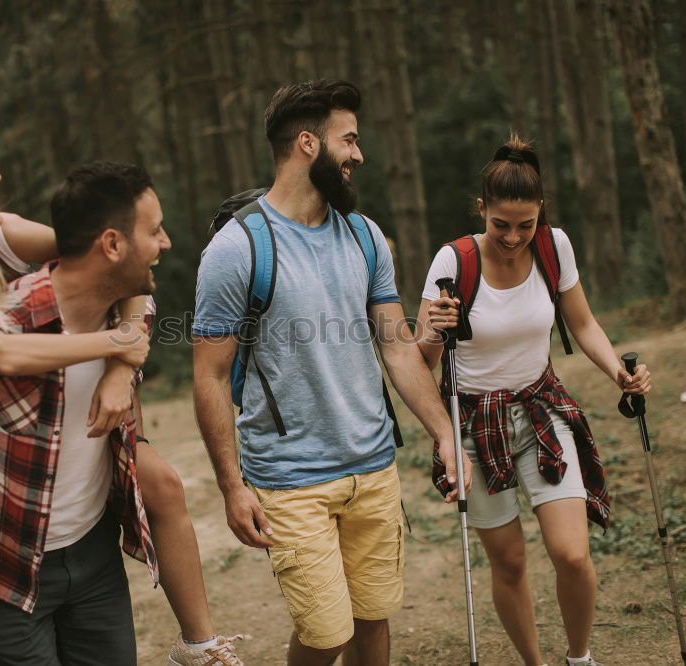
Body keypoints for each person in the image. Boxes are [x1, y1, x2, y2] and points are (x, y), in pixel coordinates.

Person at [0, 127, 242, 666]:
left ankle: (200, 645)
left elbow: (115, 263)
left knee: (160, 481)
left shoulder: (7, 234)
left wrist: (119, 369)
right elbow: (1, 355)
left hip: (40, 373)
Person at [192, 79, 472, 666]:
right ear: (307, 144)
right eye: (349, 140)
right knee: (327, 637)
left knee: (372, 622)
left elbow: (397, 349)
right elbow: (211, 377)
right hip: (292, 481)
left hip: (373, 469)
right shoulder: (238, 248)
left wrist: (445, 434)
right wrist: (230, 486)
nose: (359, 155)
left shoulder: (366, 237)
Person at [415, 134, 652, 666]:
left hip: (541, 408)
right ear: (482, 210)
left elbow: (583, 323)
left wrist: (620, 373)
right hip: (475, 424)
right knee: (511, 564)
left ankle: (579, 657)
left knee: (571, 553)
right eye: (501, 224)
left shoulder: (554, 245)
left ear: (540, 212)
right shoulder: (452, 262)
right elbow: (420, 360)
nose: (514, 237)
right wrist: (432, 329)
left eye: (526, 225)